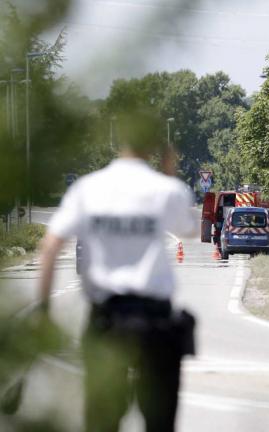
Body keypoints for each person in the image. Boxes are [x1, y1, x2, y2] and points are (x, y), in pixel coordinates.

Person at [36, 110, 197, 432]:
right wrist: (170, 173)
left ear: (116, 141)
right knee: (160, 421)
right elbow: (190, 230)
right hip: (156, 323)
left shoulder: (88, 188)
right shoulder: (166, 190)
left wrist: (43, 313)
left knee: (101, 421)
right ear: (154, 146)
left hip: (106, 321)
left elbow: (50, 247)